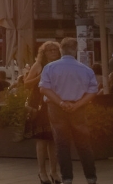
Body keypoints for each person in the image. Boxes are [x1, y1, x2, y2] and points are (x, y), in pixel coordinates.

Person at [40, 42, 100, 184]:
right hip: (78, 107)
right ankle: (91, 177)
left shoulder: (50, 67)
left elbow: (44, 89)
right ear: (75, 51)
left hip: (56, 107)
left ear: (61, 50)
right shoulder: (86, 69)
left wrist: (61, 102)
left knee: (62, 144)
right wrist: (77, 104)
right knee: (84, 144)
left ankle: (67, 178)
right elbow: (92, 91)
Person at [22, 43, 60, 184]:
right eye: (50, 50)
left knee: (54, 139)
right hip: (40, 105)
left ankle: (54, 171)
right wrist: (40, 77)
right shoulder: (38, 65)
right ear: (44, 53)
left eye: (55, 49)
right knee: (42, 139)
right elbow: (26, 83)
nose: (53, 52)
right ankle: (42, 171)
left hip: (55, 102)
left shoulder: (60, 65)